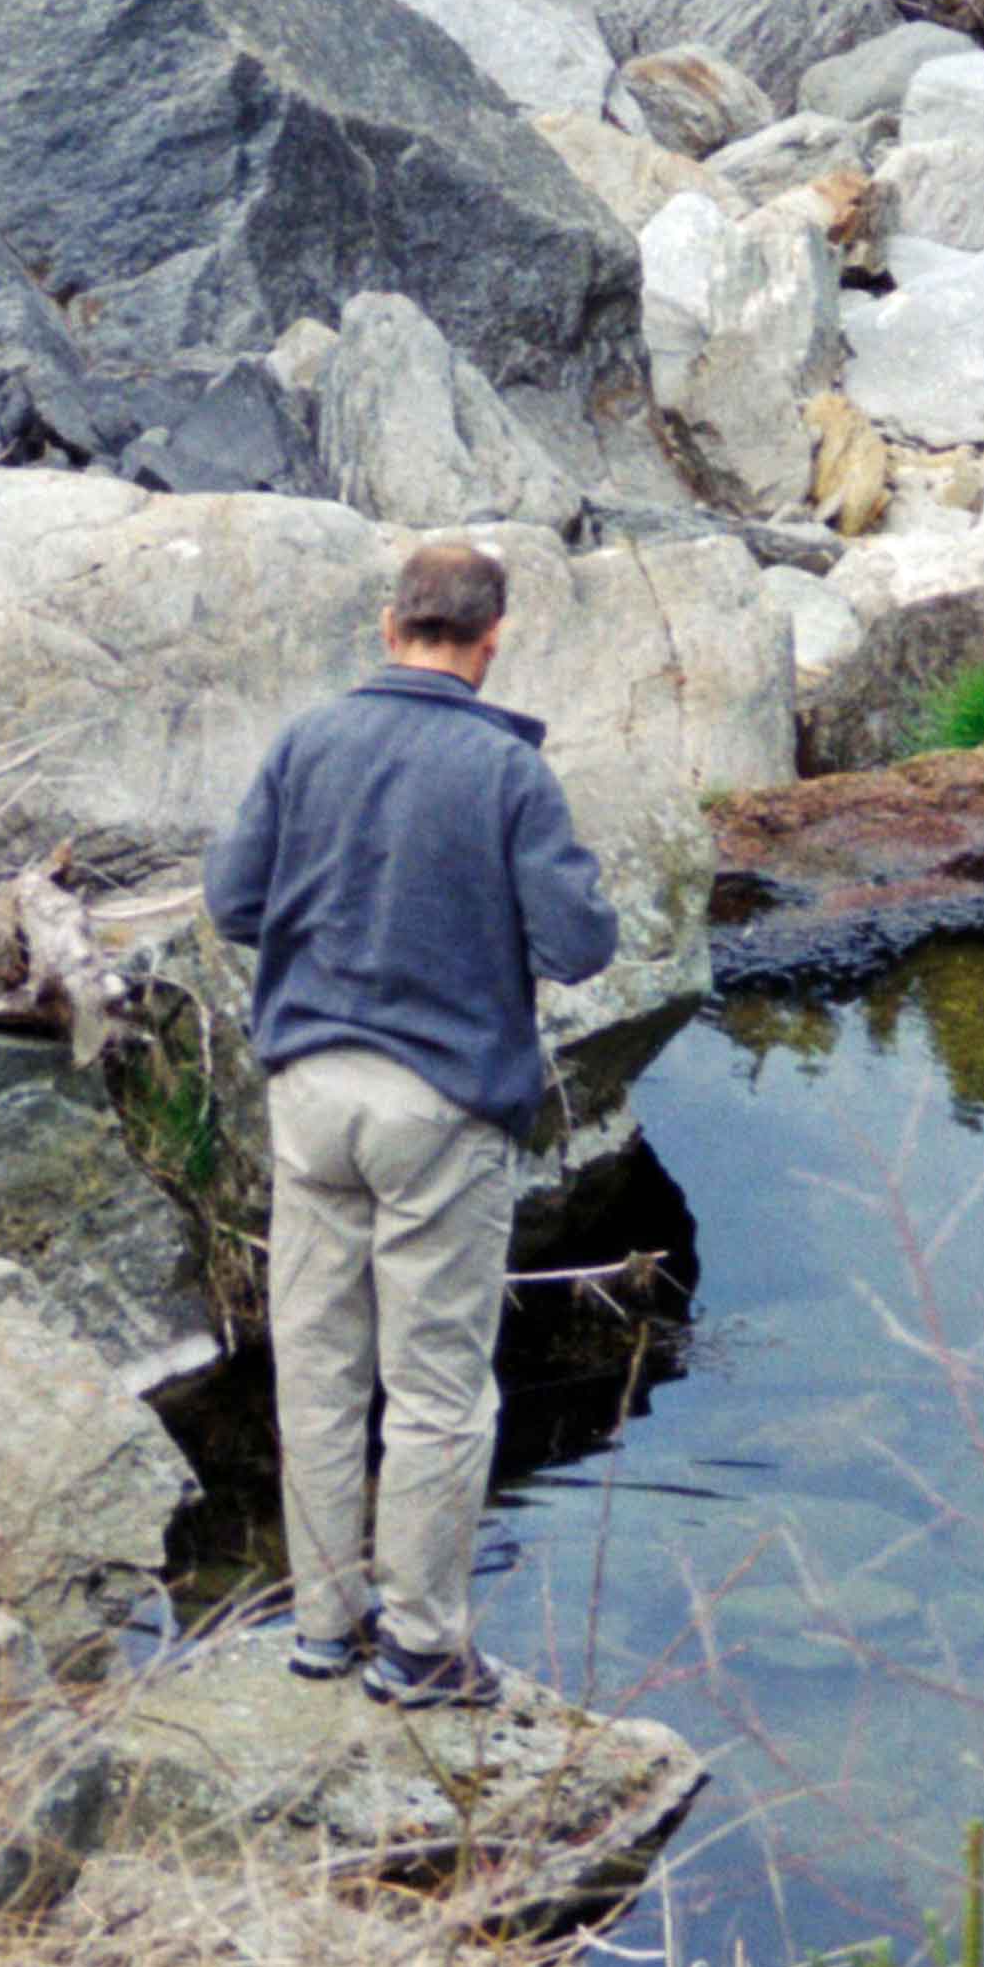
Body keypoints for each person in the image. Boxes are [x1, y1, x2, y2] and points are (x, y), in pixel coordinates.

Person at [203, 541, 621, 1709]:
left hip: (308, 1095)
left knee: (319, 1374)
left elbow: (231, 901)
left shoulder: (305, 741)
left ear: (389, 628)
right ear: (492, 642)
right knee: (436, 1389)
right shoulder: (508, 771)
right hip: (437, 1104)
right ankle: (423, 1648)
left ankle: (322, 1628)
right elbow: (579, 944)